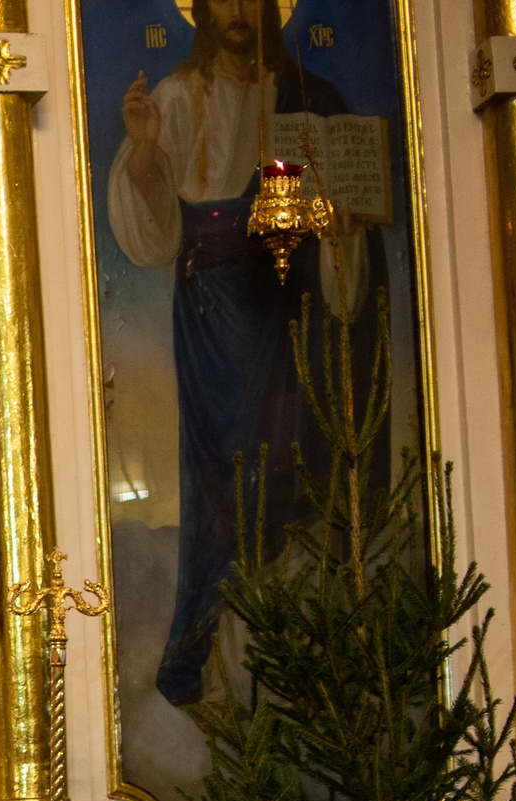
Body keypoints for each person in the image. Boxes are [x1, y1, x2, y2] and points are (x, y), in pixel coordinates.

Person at [104, 0, 379, 706]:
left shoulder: (309, 102)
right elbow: (156, 238)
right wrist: (142, 154)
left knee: (285, 470)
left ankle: (292, 661)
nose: (235, 11)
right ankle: (201, 649)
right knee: (220, 477)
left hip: (286, 312)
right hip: (207, 317)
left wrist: (340, 227)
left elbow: (342, 233)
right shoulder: (171, 99)